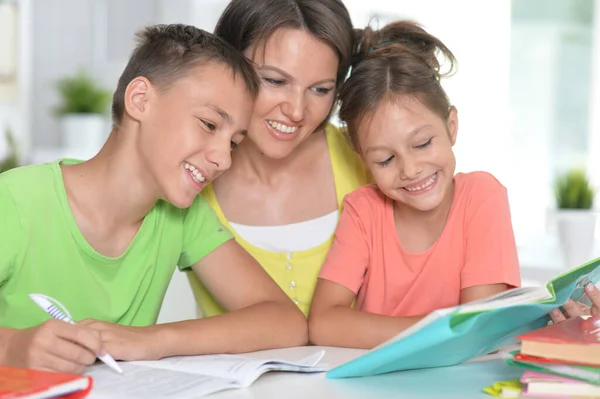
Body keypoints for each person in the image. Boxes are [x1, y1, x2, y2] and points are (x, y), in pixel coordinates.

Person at [0, 24, 307, 374]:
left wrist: (151, 340)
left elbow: (285, 320)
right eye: (209, 124)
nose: (224, 158)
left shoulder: (183, 216)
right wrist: (11, 346)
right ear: (140, 100)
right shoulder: (14, 201)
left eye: (234, 142)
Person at [307, 20, 523, 349]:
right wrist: (441, 326)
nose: (410, 170)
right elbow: (323, 323)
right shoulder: (363, 210)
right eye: (385, 160)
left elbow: (478, 327)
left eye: (422, 144)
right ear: (361, 157)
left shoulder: (481, 196)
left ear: (451, 126)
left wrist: (406, 331)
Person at [187, 0, 370, 317]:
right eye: (275, 81)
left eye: (320, 89)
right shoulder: (188, 175)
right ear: (226, 63)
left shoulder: (368, 160)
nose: (297, 111)